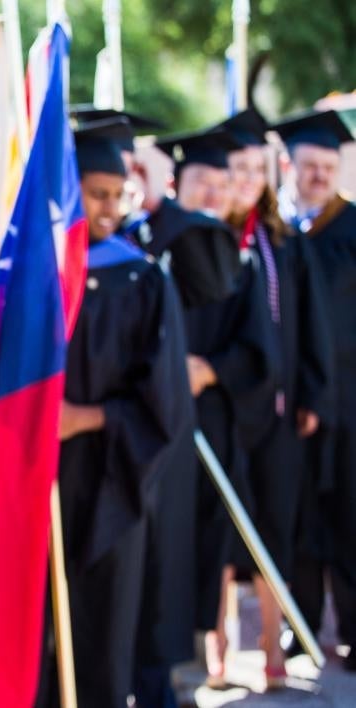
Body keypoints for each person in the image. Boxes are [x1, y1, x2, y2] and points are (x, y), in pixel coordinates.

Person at [37, 118, 193, 707]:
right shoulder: (38, 274)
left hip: (112, 479)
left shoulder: (142, 277)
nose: (106, 207)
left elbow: (166, 400)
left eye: (116, 194)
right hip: (44, 475)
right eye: (94, 194)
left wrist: (87, 418)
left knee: (104, 626)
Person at [155, 126, 277, 686]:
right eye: (203, 180)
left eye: (222, 183)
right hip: (149, 425)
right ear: (179, 182)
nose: (213, 192)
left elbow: (259, 350)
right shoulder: (146, 250)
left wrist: (208, 370)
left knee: (204, 544)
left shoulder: (240, 265)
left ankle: (193, 662)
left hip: (208, 423)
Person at [218, 108, 334, 686]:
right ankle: (215, 656)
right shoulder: (206, 238)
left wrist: (314, 391)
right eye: (235, 169)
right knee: (217, 529)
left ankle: (270, 650)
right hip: (222, 410)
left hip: (281, 409)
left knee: (274, 526)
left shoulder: (284, 242)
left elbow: (312, 324)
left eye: (253, 169)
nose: (246, 180)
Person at [271, 108, 356, 670]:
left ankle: (353, 631)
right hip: (295, 399)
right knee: (297, 515)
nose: (319, 176)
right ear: (290, 165)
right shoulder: (274, 233)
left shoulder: (353, 227)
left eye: (329, 166)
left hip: (351, 399)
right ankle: (299, 626)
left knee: (350, 513)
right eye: (310, 166)